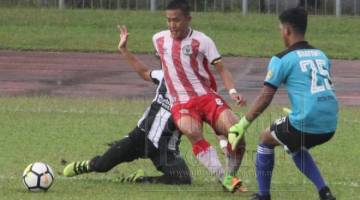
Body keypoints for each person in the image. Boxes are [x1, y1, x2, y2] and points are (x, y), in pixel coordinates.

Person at [228, 7, 337, 200]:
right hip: (330, 124)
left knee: (265, 138)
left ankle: (263, 195)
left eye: (280, 29)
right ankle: (325, 192)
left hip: (306, 121)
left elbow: (265, 97)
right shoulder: (322, 55)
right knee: (292, 143)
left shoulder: (281, 59)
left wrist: (242, 125)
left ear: (286, 30)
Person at [62, 30, 193, 185]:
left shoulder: (195, 91)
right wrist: (124, 50)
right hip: (140, 137)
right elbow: (144, 72)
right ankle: (87, 165)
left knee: (183, 178)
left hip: (165, 148)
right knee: (103, 165)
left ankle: (140, 179)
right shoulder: (163, 76)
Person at [151, 0, 247, 192]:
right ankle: (226, 181)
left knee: (237, 135)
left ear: (188, 19)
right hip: (181, 102)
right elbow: (163, 59)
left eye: (176, 20)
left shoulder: (203, 41)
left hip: (206, 97)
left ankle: (231, 173)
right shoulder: (158, 39)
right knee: (192, 132)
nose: (172, 25)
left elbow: (221, 69)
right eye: (168, 20)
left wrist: (233, 92)